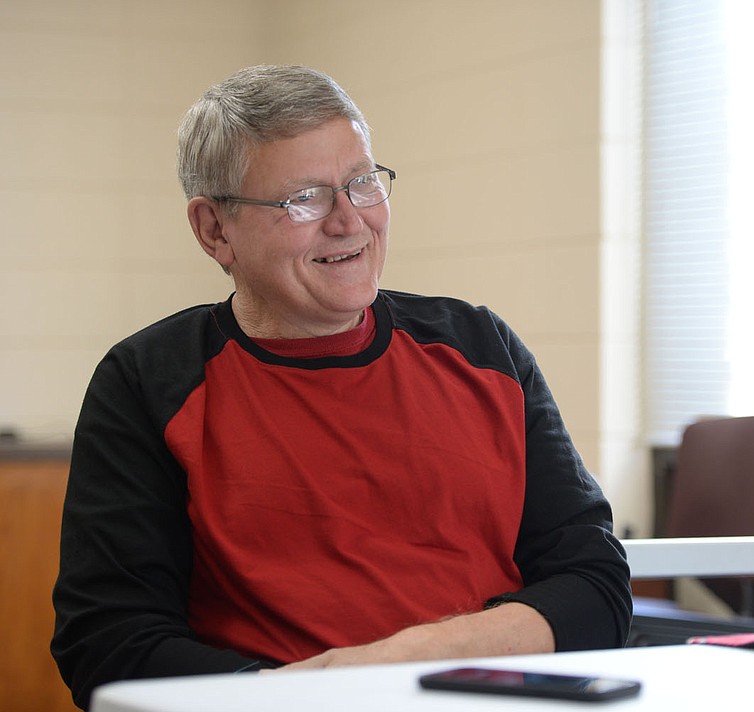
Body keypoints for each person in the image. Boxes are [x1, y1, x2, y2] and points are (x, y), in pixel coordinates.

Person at [51, 64, 632, 710]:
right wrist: (305, 697)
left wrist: (392, 664)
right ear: (215, 230)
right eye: (303, 197)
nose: (348, 221)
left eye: (361, 182)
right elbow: (108, 643)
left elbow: (595, 584)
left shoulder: (482, 349)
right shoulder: (147, 383)